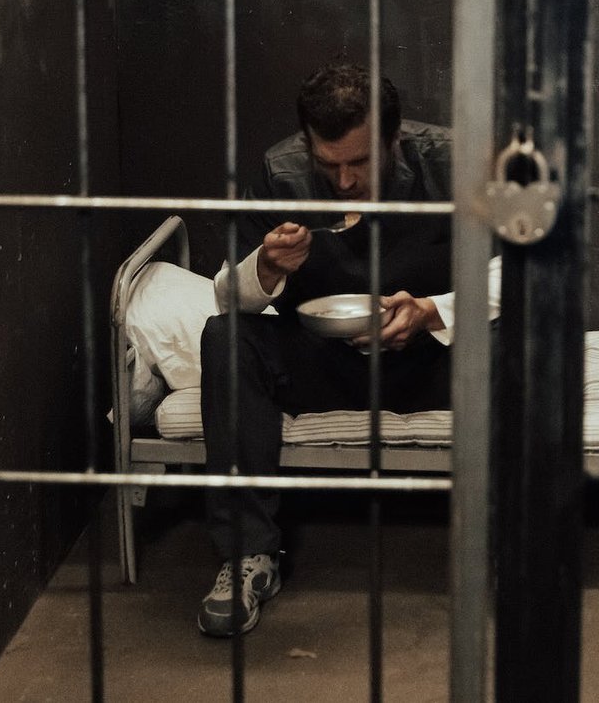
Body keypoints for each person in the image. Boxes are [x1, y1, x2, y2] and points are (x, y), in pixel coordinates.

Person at [196, 62, 496, 637]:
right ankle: (248, 559)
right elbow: (229, 293)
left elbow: (529, 268)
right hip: (326, 362)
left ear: (394, 137)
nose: (344, 182)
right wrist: (265, 266)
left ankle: (510, 544)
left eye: (360, 162)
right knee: (226, 337)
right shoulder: (280, 172)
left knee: (521, 337)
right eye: (328, 164)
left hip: (434, 359)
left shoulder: (455, 161)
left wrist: (436, 312)